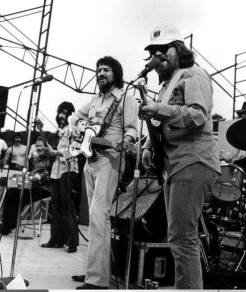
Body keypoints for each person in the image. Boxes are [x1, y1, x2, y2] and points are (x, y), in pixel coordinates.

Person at [138, 24, 221, 289]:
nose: (158, 56)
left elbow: (197, 115)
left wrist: (158, 109)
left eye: (164, 50)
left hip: (193, 159)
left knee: (182, 237)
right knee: (178, 237)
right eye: (154, 51)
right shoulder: (165, 86)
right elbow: (163, 124)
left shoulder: (193, 75)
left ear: (180, 49)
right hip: (174, 165)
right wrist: (149, 147)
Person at [70, 56, 138, 289]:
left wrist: (126, 141)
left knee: (100, 216)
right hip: (90, 161)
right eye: (98, 70)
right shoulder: (94, 100)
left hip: (110, 160)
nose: (100, 73)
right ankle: (94, 272)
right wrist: (80, 128)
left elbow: (131, 130)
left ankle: (97, 281)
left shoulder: (125, 98)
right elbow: (74, 118)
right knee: (94, 219)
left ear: (115, 74)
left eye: (106, 70)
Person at [40, 101, 79, 253]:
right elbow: (49, 149)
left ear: (70, 114)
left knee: (67, 205)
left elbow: (75, 149)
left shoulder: (74, 128)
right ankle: (55, 239)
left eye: (65, 112)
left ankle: (72, 242)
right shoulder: (59, 131)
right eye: (60, 112)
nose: (61, 115)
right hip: (56, 170)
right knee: (55, 205)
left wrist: (55, 153)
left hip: (68, 170)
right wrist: (41, 130)